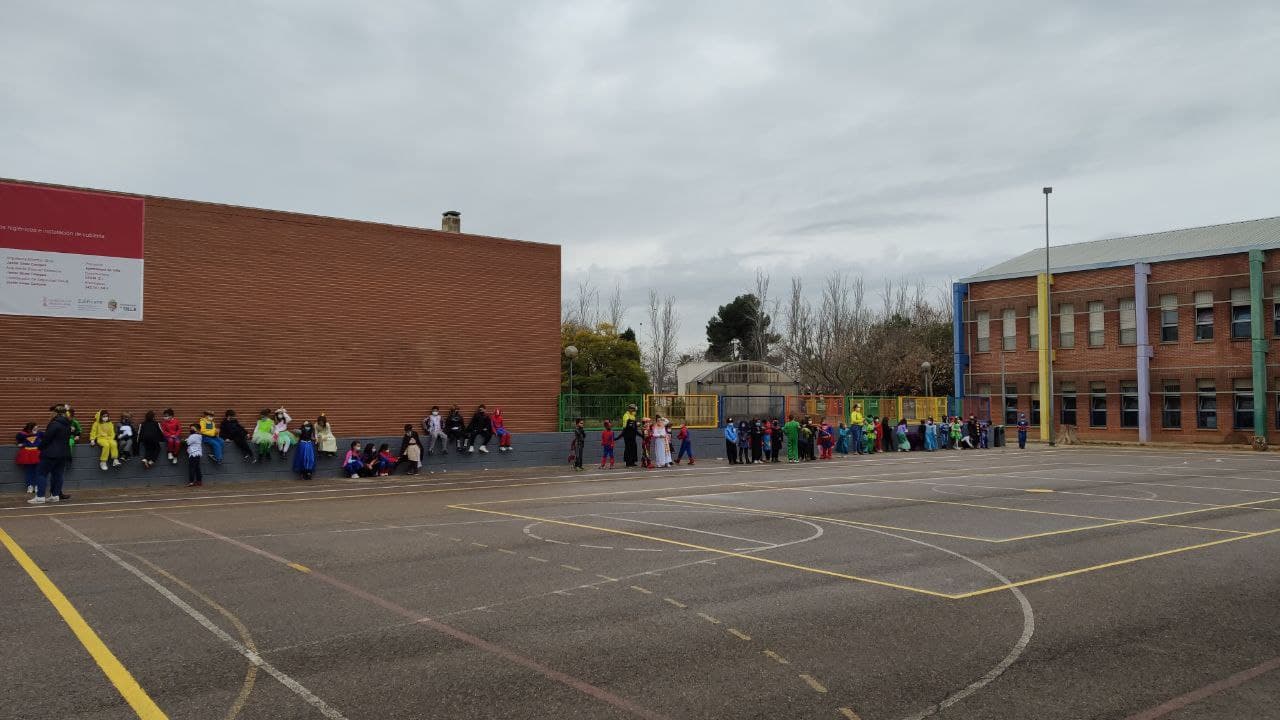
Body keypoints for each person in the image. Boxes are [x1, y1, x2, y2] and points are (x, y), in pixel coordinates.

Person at [31, 404, 73, 504]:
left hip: (50, 454)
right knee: (58, 475)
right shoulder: (68, 424)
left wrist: (40, 447)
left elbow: (47, 438)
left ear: (55, 413)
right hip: (63, 453)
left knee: (41, 474)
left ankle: (40, 497)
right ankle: (55, 495)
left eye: (51, 413)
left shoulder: (54, 424)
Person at [15, 422, 41, 494]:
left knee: (38, 471)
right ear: (31, 427)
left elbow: (46, 438)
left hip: (37, 453)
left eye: (37, 426)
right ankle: (30, 486)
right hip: (27, 454)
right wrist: (21, 443)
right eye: (35, 426)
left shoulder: (40, 433)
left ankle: (37, 486)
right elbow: (18, 437)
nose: (37, 427)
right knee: (29, 471)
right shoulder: (23, 434)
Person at [185, 422, 204, 487]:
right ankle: (199, 481)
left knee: (192, 468)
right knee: (197, 468)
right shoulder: (199, 436)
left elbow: (188, 442)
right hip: (198, 453)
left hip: (193, 453)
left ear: (197, 429)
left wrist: (184, 440)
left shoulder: (193, 436)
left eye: (193, 428)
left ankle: (191, 482)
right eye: (190, 428)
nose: (191, 430)